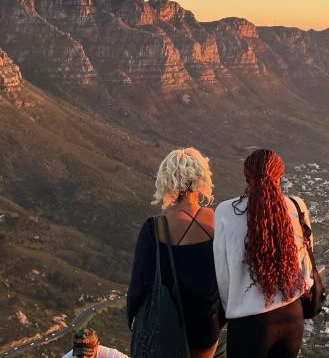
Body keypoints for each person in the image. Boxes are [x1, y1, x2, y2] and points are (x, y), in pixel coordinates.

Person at [214, 149, 314, 358]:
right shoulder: (297, 206)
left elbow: (222, 274)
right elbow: (307, 264)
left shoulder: (225, 211)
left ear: (246, 177)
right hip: (292, 315)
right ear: (280, 176)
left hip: (249, 321)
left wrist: (230, 308)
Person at [127, 147, 223, 358]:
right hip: (205, 323)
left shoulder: (153, 228)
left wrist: (137, 323)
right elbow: (227, 278)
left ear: (166, 180)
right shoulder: (217, 221)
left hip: (165, 325)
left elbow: (140, 284)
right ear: (201, 178)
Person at [62, 328, 128, 358]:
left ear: (97, 346)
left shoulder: (110, 354)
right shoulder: (70, 356)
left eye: (88, 355)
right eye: (80, 355)